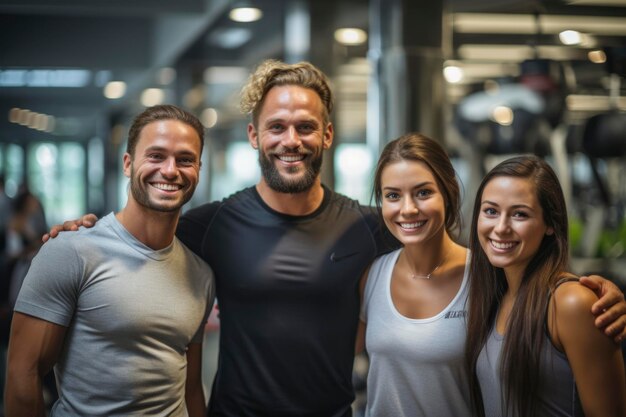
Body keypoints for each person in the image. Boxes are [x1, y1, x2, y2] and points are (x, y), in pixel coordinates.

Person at [44, 61, 626, 416]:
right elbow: (144, 231)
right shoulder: (210, 224)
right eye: (276, 126)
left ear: (326, 133)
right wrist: (85, 228)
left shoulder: (372, 228)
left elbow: (498, 267)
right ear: (254, 135)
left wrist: (585, 288)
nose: (290, 139)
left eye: (304, 126)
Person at [6, 104, 215, 416]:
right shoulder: (70, 251)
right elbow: (23, 374)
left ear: (198, 169)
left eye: (185, 159)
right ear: (128, 164)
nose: (171, 170)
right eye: (156, 156)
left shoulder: (200, 274)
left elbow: (191, 387)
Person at [465, 155, 626, 416]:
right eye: (491, 211)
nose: (501, 227)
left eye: (520, 214)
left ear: (550, 224)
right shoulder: (494, 295)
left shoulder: (571, 303)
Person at [356, 133, 471, 416]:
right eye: (393, 195)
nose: (407, 209)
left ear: (448, 191)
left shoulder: (486, 276)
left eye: (423, 192)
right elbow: (330, 355)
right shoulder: (372, 275)